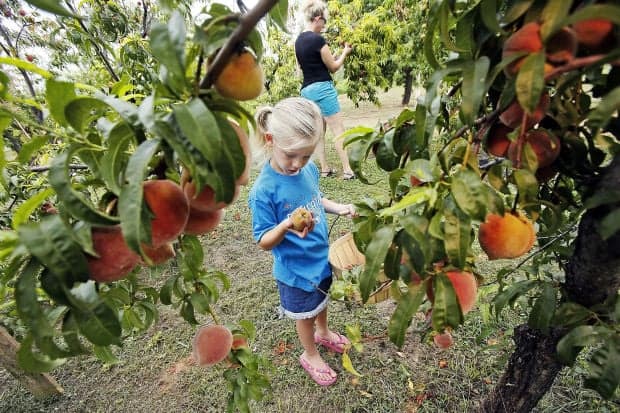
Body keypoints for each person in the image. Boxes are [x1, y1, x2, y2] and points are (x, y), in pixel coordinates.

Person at [248, 97, 356, 386]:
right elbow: (263, 240)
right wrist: (285, 225)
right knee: (304, 312)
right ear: (271, 140)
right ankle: (310, 353)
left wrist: (339, 207)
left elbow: (315, 199)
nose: (299, 164)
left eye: (307, 156)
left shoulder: (307, 170)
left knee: (321, 301)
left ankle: (324, 333)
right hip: (295, 272)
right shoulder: (264, 190)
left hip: (320, 258)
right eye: (292, 155)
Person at [295, 0, 355, 180]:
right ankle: (347, 171)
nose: (324, 26)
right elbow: (334, 67)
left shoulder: (298, 41)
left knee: (319, 132)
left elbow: (302, 67)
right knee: (339, 130)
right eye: (324, 22)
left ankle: (325, 169)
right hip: (323, 88)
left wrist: (332, 57)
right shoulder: (318, 40)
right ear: (318, 18)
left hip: (306, 90)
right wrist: (345, 52)